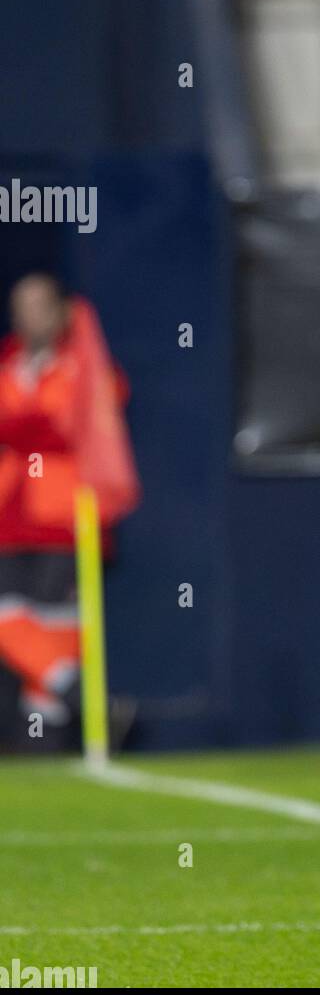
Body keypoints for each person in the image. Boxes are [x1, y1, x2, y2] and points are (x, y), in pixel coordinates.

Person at [0, 274, 140, 749]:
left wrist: (21, 426)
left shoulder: (86, 364)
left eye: (38, 305)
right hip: (8, 514)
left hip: (63, 518)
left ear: (61, 311)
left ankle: (38, 749)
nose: (27, 316)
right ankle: (91, 701)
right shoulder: (7, 361)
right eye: (19, 306)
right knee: (16, 624)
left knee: (56, 632)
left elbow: (79, 427)